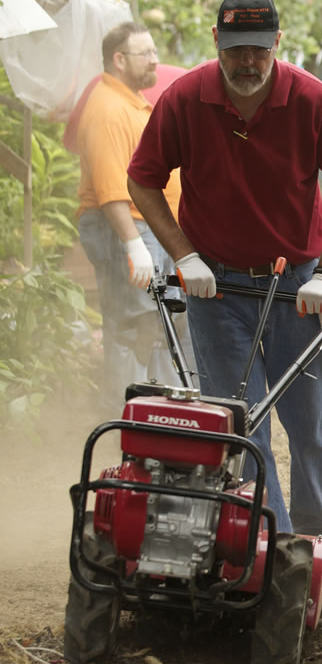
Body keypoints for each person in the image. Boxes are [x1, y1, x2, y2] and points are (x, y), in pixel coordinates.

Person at [127, 0, 322, 545]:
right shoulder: (186, 99)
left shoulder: (311, 100)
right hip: (215, 288)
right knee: (239, 421)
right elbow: (142, 179)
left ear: (277, 43)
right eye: (236, 50)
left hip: (296, 285)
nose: (248, 63)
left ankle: (313, 535)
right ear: (217, 42)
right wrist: (184, 255)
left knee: (309, 421)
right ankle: (271, 539)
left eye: (259, 50)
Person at [75, 22, 194, 412]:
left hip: (147, 228)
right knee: (133, 326)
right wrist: (132, 245)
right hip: (125, 228)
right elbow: (112, 190)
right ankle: (127, 423)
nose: (155, 60)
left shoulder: (130, 101)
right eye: (147, 53)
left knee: (156, 327)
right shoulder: (108, 109)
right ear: (120, 60)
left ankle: (158, 416)